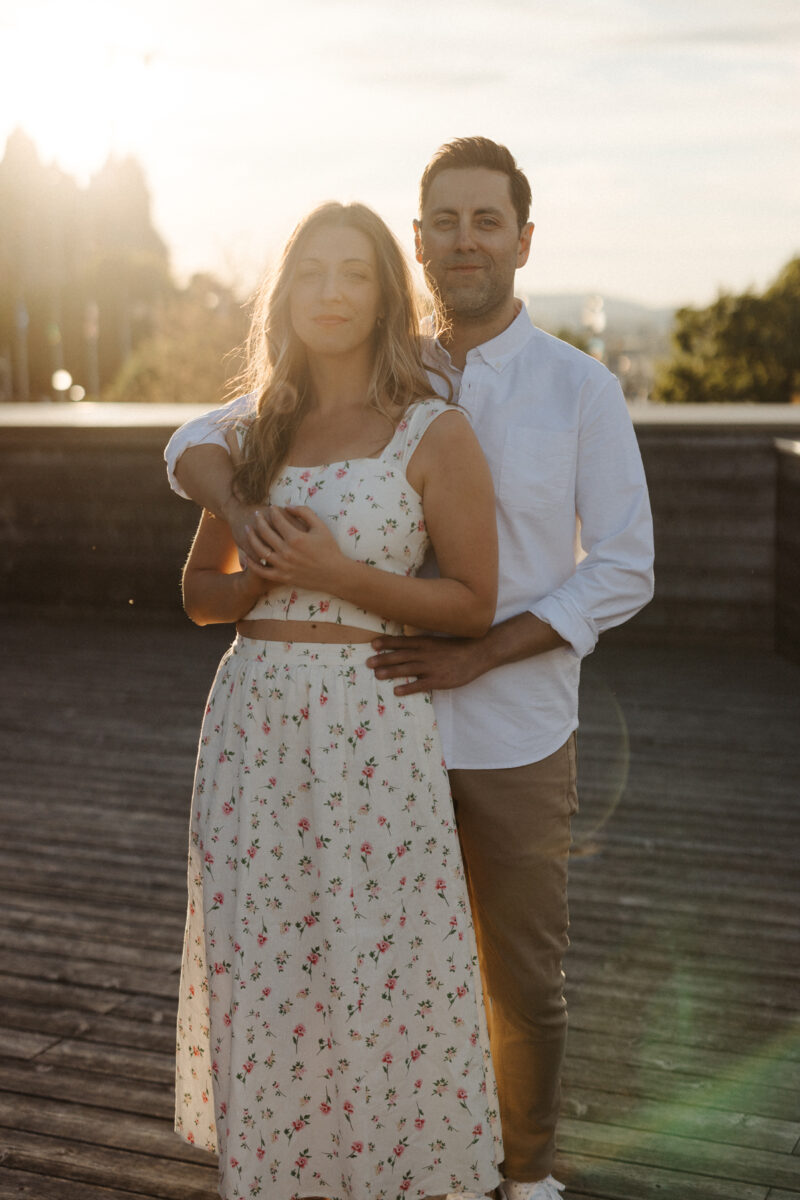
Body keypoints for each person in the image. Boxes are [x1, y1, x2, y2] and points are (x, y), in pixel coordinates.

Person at [166, 139, 655, 1200]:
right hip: (357, 721)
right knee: (366, 962)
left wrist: (482, 650)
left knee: (515, 976)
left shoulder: (578, 388)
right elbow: (208, 434)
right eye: (444, 221)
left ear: (523, 241)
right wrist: (243, 518)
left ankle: (518, 1177)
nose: (464, 240)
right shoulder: (385, 361)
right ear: (419, 242)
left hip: (508, 719)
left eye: (487, 221)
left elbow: (624, 566)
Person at [173, 201, 505, 1200]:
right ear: (284, 295)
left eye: (352, 273)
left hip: (367, 725)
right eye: (309, 273)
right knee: (268, 962)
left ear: (383, 294)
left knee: (377, 958)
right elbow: (199, 595)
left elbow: (471, 601)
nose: (328, 292)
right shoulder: (255, 430)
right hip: (253, 722)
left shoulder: (430, 431)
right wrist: (258, 580)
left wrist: (338, 572)